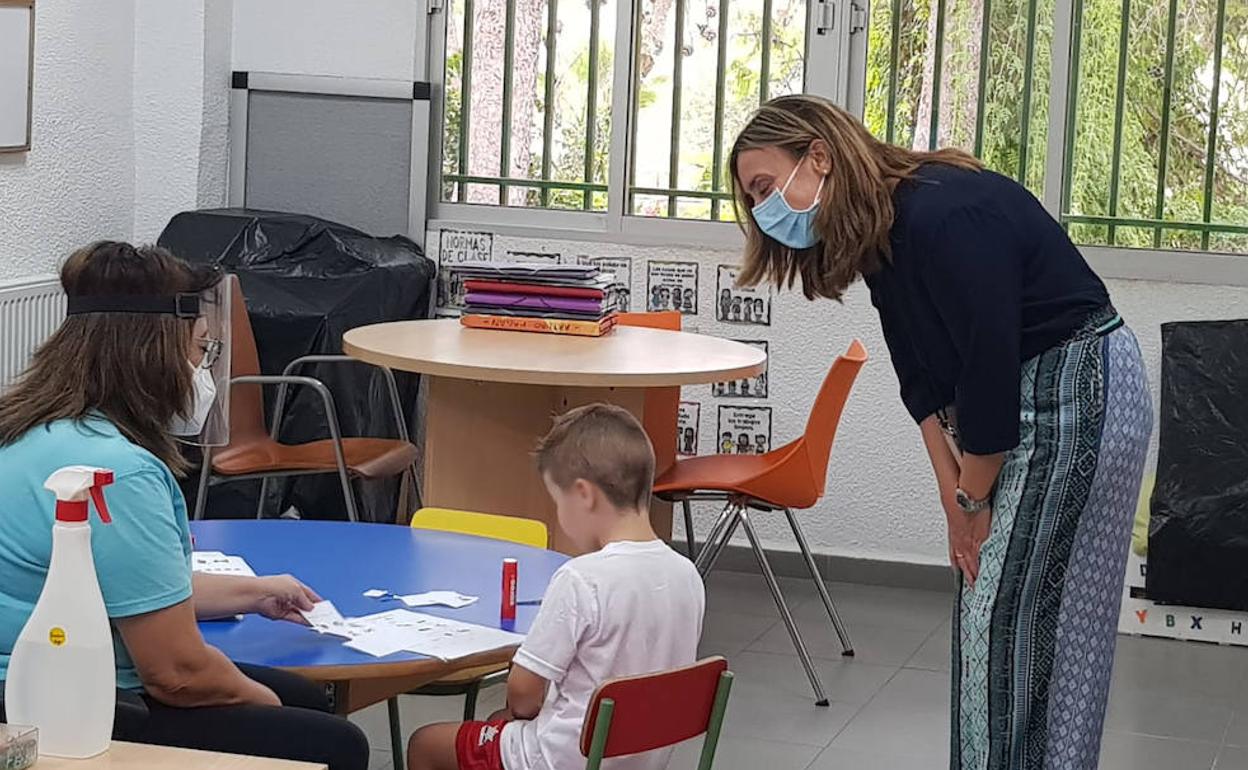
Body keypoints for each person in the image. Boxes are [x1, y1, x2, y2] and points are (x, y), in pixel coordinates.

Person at [730, 95, 1152, 769]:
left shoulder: (942, 213)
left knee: (1011, 620)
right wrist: (952, 497)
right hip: (1041, 397)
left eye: (762, 188)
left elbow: (987, 370)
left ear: (818, 155)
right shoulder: (884, 232)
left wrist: (973, 500)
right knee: (1025, 616)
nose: (762, 211)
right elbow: (922, 377)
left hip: (1079, 390)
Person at [0, 242, 369, 770]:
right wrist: (261, 703)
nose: (203, 370)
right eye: (201, 350)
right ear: (152, 353)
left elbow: (128, 586)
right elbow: (175, 673)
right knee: (334, 742)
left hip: (31, 677)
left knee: (305, 701)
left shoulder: (32, 430)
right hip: (69, 701)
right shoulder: (116, 473)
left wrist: (256, 592)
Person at [406, 404, 705, 770]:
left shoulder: (581, 578)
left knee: (426, 743)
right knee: (500, 723)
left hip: (560, 760)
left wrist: (527, 711)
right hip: (639, 758)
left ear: (584, 495)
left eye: (558, 502)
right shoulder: (687, 574)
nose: (561, 519)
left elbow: (522, 695)